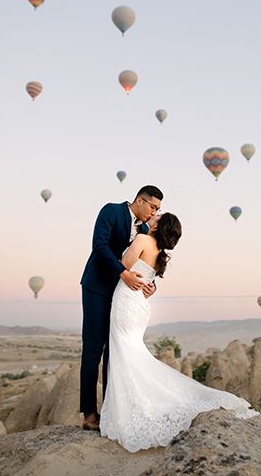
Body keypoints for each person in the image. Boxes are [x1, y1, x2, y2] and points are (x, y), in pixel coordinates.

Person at [99, 212, 258, 452]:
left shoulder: (142, 240)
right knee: (131, 353)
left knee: (125, 353)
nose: (153, 216)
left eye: (157, 216)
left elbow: (122, 267)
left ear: (158, 226)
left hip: (127, 300)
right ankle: (137, 403)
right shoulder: (159, 253)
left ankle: (133, 409)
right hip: (140, 306)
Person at [80, 185, 164, 431]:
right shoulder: (111, 211)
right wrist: (123, 273)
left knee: (114, 351)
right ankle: (89, 413)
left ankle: (110, 410)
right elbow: (100, 245)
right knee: (93, 349)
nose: (154, 212)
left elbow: (147, 260)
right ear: (140, 200)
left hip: (123, 296)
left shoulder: (146, 230)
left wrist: (151, 285)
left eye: (158, 210)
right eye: (153, 207)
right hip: (97, 287)